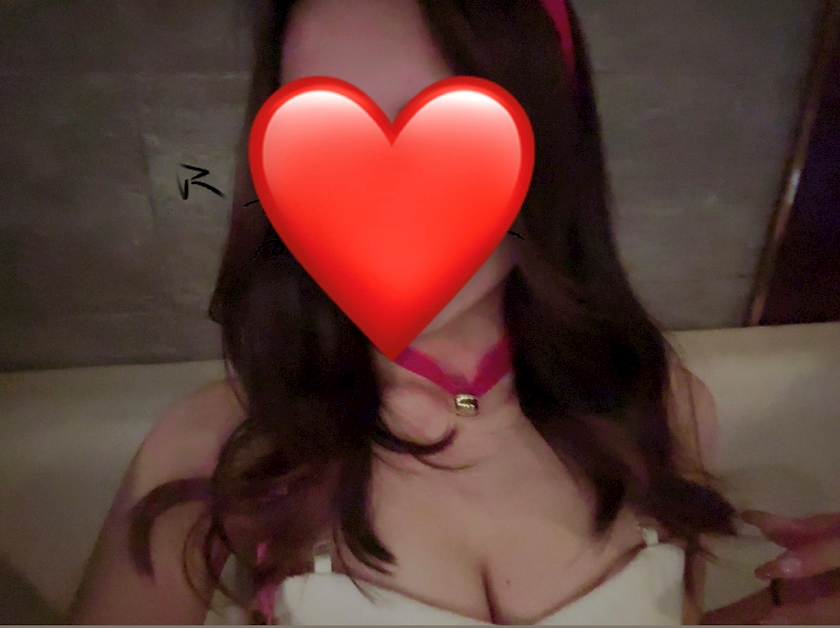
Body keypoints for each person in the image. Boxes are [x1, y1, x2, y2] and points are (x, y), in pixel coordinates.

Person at [64, 0, 832, 624]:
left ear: (550, 151)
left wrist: (785, 610)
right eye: (324, 136)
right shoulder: (216, 450)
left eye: (451, 130)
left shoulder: (656, 404)